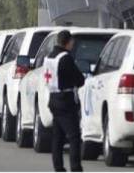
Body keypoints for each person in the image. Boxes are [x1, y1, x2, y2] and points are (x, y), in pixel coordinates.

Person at [46, 30, 86, 172]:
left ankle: (58, 167)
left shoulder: (50, 57)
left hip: (53, 99)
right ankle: (76, 168)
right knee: (74, 137)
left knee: (58, 137)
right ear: (67, 42)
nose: (72, 44)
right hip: (66, 102)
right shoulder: (65, 58)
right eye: (72, 42)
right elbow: (80, 79)